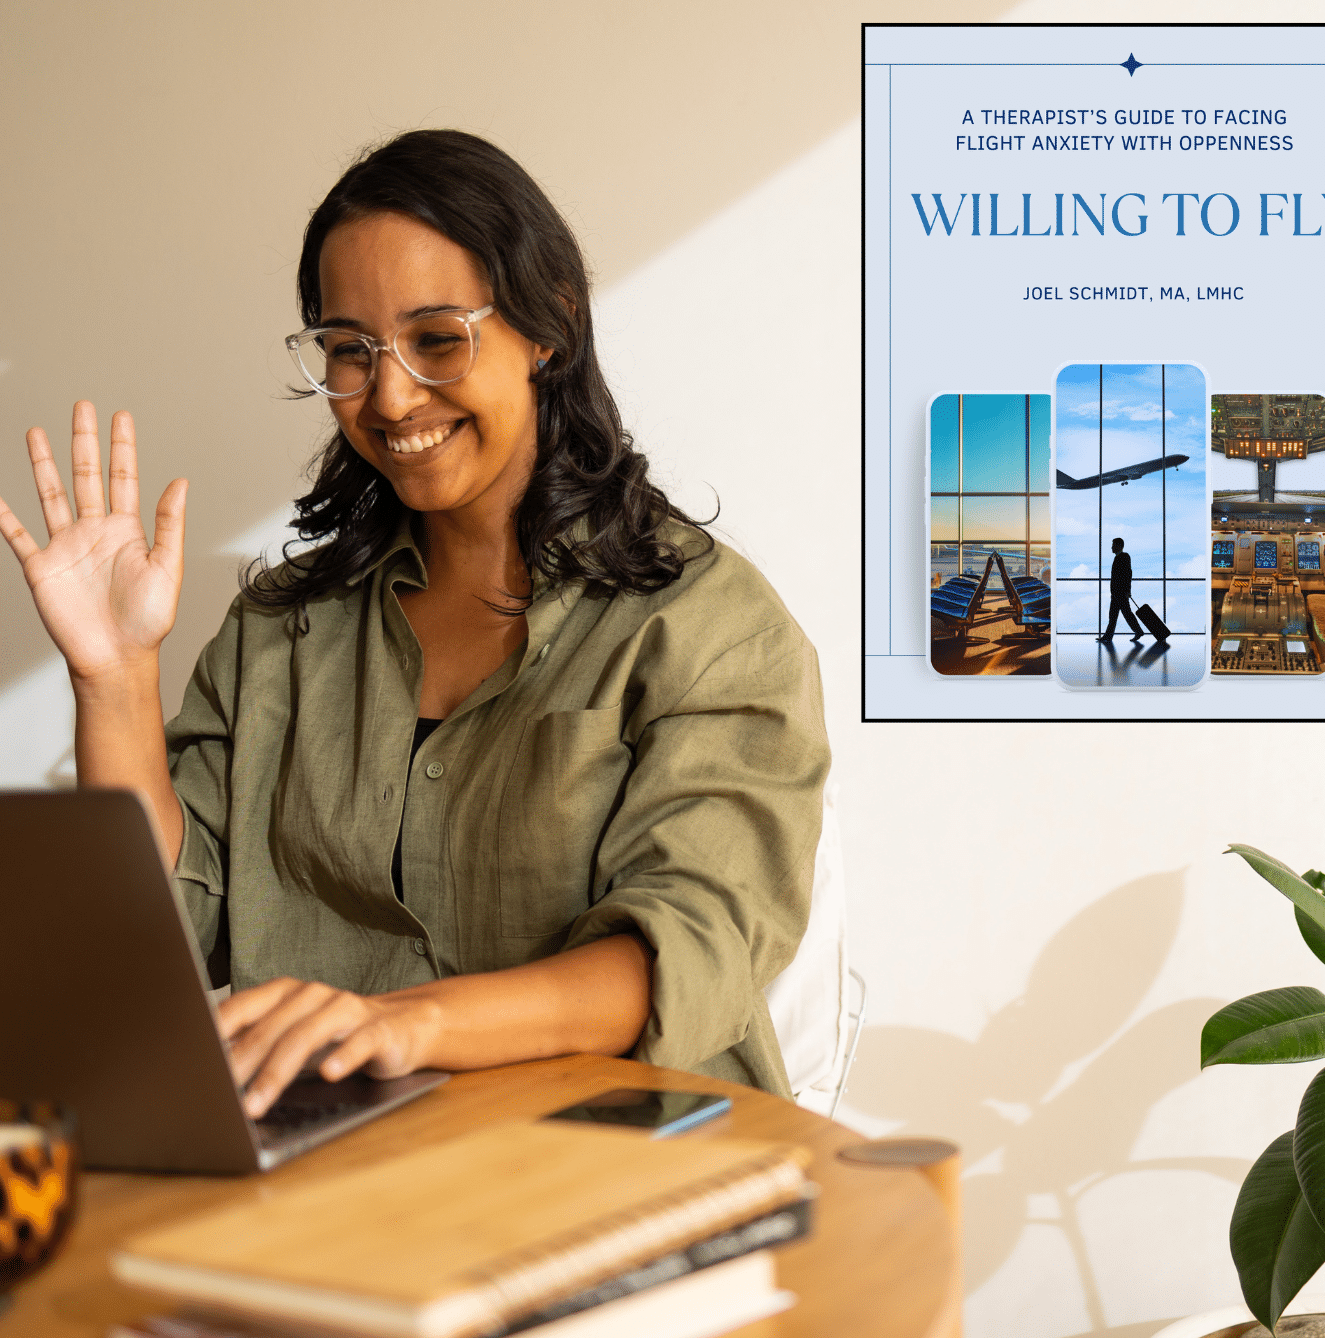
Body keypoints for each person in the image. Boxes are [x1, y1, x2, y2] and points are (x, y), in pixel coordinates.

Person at [0, 130, 829, 1112]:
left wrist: (404, 1023)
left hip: (614, 1165)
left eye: (439, 338)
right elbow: (157, 943)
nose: (389, 396)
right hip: (331, 1160)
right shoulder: (283, 629)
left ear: (549, 324)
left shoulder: (705, 626)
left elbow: (687, 951)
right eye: (350, 352)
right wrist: (116, 678)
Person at [1098, 536, 1143, 641]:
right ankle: (1108, 636)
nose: (1111, 547)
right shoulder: (1118, 557)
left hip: (1121, 593)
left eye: (1113, 545)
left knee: (1125, 614)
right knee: (1114, 616)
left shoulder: (1124, 556)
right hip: (1116, 593)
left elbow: (1128, 574)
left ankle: (1138, 631)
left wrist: (1128, 591)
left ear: (1119, 546)